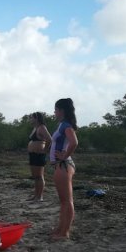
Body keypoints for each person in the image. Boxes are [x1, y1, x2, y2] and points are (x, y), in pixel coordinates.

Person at [50, 98, 78, 239]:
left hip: (63, 165)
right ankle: (60, 228)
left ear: (61, 110)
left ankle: (65, 232)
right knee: (64, 201)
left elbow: (74, 142)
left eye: (55, 109)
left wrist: (64, 156)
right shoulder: (62, 125)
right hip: (61, 165)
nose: (54, 112)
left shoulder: (65, 125)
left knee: (67, 201)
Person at [27, 112, 52, 201]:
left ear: (36, 118)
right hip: (33, 154)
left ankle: (40, 196)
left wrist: (45, 150)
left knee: (39, 176)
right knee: (35, 176)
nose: (30, 119)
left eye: (31, 118)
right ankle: (35, 195)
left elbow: (49, 139)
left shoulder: (42, 127)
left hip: (39, 155)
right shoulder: (35, 128)